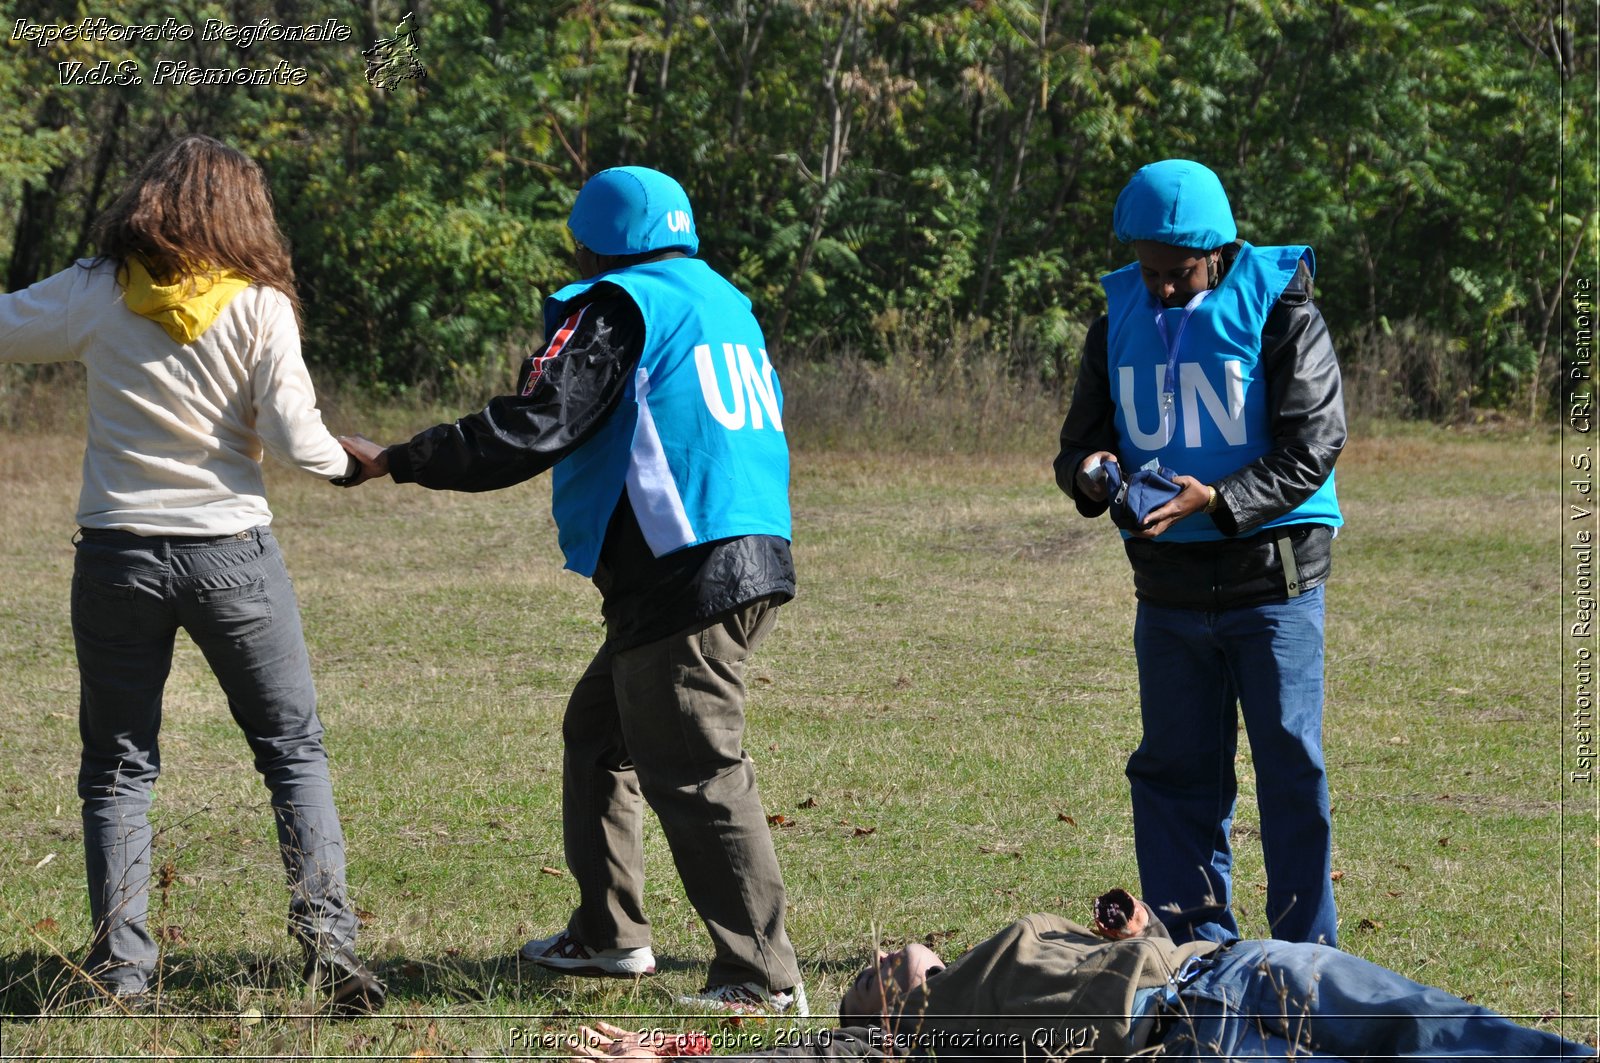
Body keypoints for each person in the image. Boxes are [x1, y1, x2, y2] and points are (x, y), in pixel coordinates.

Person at [338, 165, 806, 1014]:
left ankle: (759, 978)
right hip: (746, 550)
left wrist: (402, 458)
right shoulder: (720, 302)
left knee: (698, 768)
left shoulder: (617, 304)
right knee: (599, 733)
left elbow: (536, 425)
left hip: (683, 566)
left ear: (596, 241)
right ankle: (607, 934)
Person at [0, 135, 384, 1011]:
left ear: (146, 200)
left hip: (116, 556)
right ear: (245, 210)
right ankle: (334, 955)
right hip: (232, 555)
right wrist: (355, 465)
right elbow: (296, 440)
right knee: (293, 752)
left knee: (118, 769)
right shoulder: (261, 305)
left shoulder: (98, 290)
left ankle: (122, 975)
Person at [1054, 159, 1346, 946]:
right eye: (1149, 273)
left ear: (1215, 251)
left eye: (1177, 273)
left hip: (1272, 581)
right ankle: (1194, 950)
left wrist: (1218, 502)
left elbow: (1314, 442)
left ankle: (1303, 959)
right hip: (1171, 591)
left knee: (1290, 774)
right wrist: (1091, 475)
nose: (1163, 290)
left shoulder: (1283, 310)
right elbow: (1081, 445)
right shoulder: (1116, 317)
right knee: (1173, 775)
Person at [575, 898, 1596, 1061]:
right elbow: (812, 1054)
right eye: (878, 974)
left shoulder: (1003, 942)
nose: (890, 955)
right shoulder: (924, 1034)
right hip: (1190, 1032)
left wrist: (1137, 921)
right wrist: (674, 1051)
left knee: (1456, 1031)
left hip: (1244, 962)